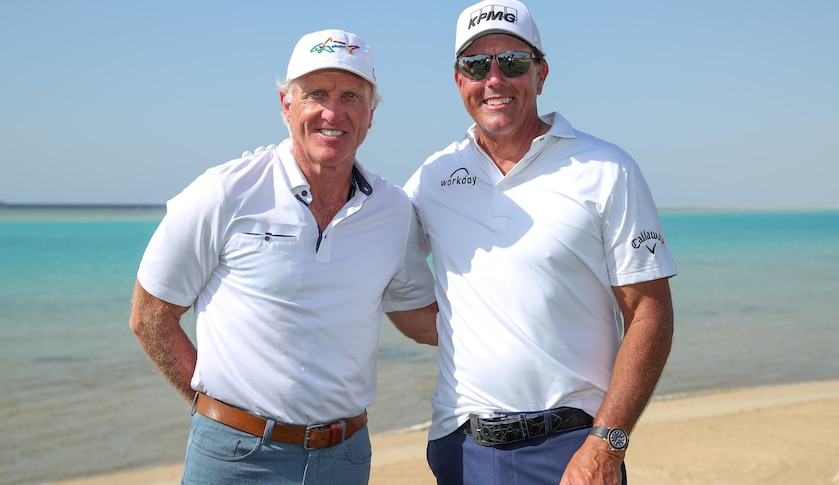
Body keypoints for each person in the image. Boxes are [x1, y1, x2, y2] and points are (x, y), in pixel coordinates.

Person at [129, 29, 438, 485]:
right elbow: (150, 317)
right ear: (286, 104)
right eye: (316, 94)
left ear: (371, 113)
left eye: (351, 95)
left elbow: (416, 316)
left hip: (345, 459)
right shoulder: (225, 191)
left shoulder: (392, 211)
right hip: (234, 458)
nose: (333, 112)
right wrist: (214, 412)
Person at [400, 1, 677, 484]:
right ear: (458, 80)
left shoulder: (608, 169)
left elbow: (649, 312)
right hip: (461, 448)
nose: (494, 79)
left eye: (511, 62)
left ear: (540, 73)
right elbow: (379, 263)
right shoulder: (433, 177)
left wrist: (607, 444)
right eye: (475, 65)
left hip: (573, 449)